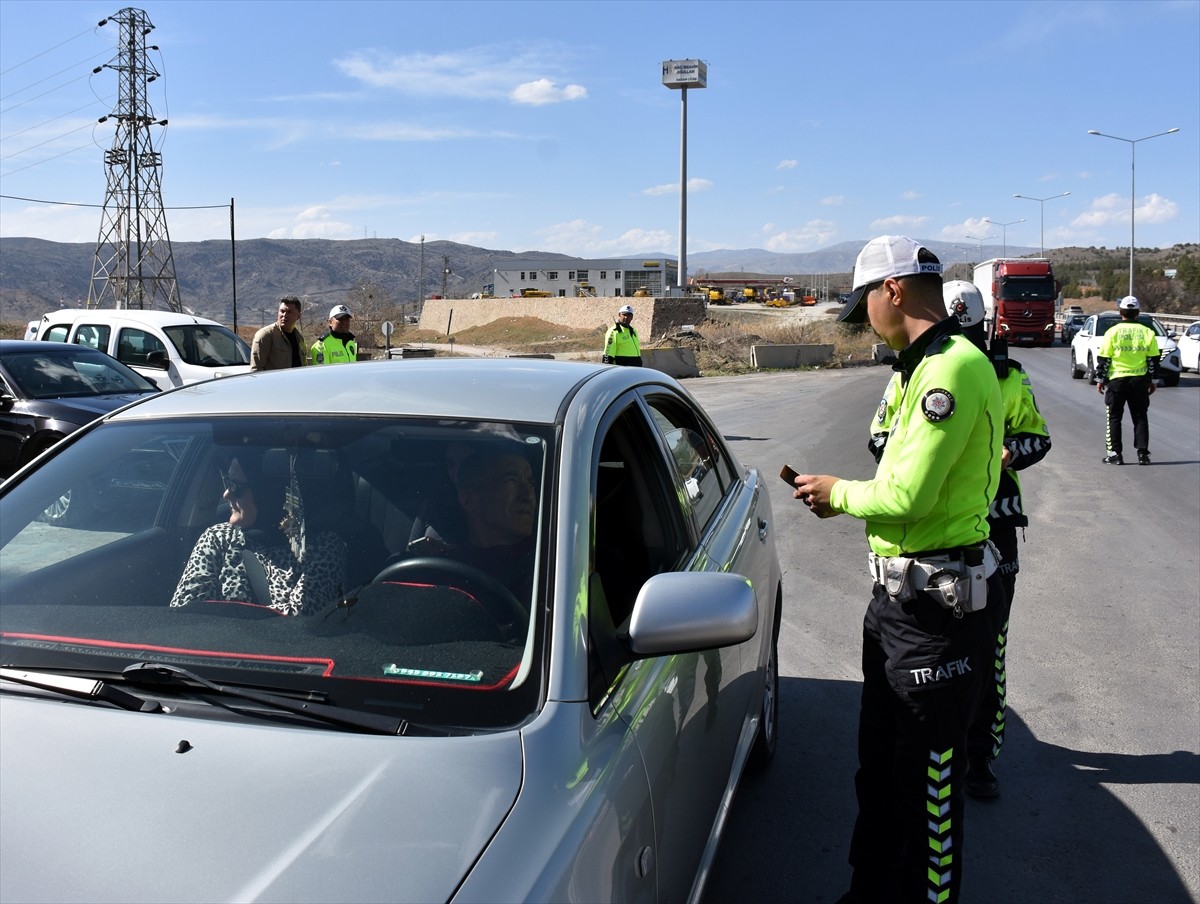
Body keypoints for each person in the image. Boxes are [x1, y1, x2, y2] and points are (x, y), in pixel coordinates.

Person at [790, 236, 1004, 904]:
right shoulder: (917, 366)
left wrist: (838, 493)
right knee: (879, 770)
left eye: (865, 304)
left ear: (893, 290)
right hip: (897, 608)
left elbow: (908, 495)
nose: (864, 321)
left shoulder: (950, 369)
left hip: (935, 616)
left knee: (927, 793)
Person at [869, 279, 1052, 801]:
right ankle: (936, 753)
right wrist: (927, 464)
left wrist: (1005, 453)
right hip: (932, 531)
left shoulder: (1008, 377)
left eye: (968, 330)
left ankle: (982, 753)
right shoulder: (910, 376)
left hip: (996, 523)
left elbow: (1038, 437)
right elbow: (879, 438)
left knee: (990, 645)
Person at [170, 454, 347, 615]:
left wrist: (220, 617)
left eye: (235, 486)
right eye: (227, 482)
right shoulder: (218, 538)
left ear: (269, 492)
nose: (226, 494)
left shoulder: (324, 546)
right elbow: (184, 617)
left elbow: (300, 621)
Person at [1097, 295, 1159, 465]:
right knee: (1140, 417)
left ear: (1121, 312)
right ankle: (1143, 454)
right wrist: (1153, 380)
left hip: (1117, 380)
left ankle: (1115, 454)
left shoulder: (1112, 332)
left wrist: (1100, 379)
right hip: (1139, 380)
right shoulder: (1147, 332)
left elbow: (1104, 358)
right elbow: (1153, 360)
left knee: (1114, 417)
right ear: (1137, 312)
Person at [250, 295, 307, 371]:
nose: (284, 315)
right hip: (274, 382)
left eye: (289, 312)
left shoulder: (299, 339)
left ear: (298, 316)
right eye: (282, 311)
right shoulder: (265, 336)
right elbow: (256, 369)